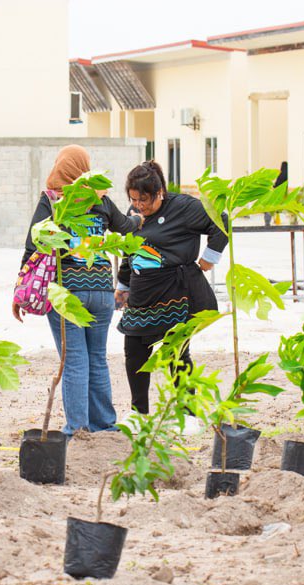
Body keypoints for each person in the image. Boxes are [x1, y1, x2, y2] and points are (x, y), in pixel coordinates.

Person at [13, 145, 141, 436]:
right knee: (96, 358)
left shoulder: (52, 200)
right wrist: (137, 219)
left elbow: (33, 245)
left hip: (67, 292)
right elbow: (125, 227)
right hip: (102, 291)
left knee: (74, 361)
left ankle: (78, 429)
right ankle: (104, 425)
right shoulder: (100, 198)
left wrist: (20, 289)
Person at [116, 160, 227, 428]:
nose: (138, 206)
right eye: (133, 200)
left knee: (176, 352)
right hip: (143, 292)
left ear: (160, 193)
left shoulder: (184, 207)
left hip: (175, 291)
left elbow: (222, 221)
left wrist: (209, 257)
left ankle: (187, 414)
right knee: (134, 350)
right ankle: (138, 413)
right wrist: (123, 285)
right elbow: (130, 249)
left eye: (144, 200)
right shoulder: (135, 212)